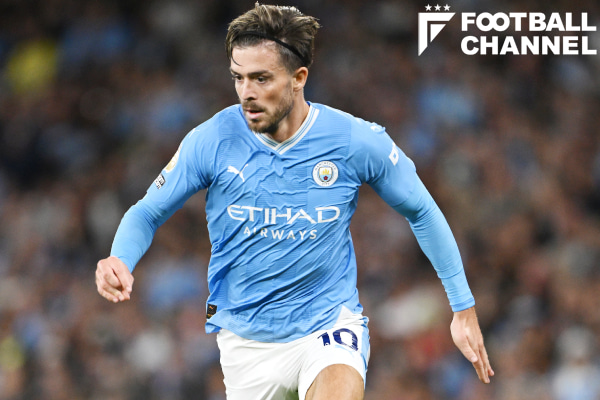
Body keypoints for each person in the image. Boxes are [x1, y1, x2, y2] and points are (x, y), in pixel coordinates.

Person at [95, 3, 494, 399]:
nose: (247, 94)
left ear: (298, 77)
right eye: (238, 78)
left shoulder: (352, 140)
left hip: (328, 326)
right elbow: (147, 212)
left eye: (261, 78)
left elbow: (421, 210)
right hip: (246, 343)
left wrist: (462, 307)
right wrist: (120, 258)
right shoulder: (213, 139)